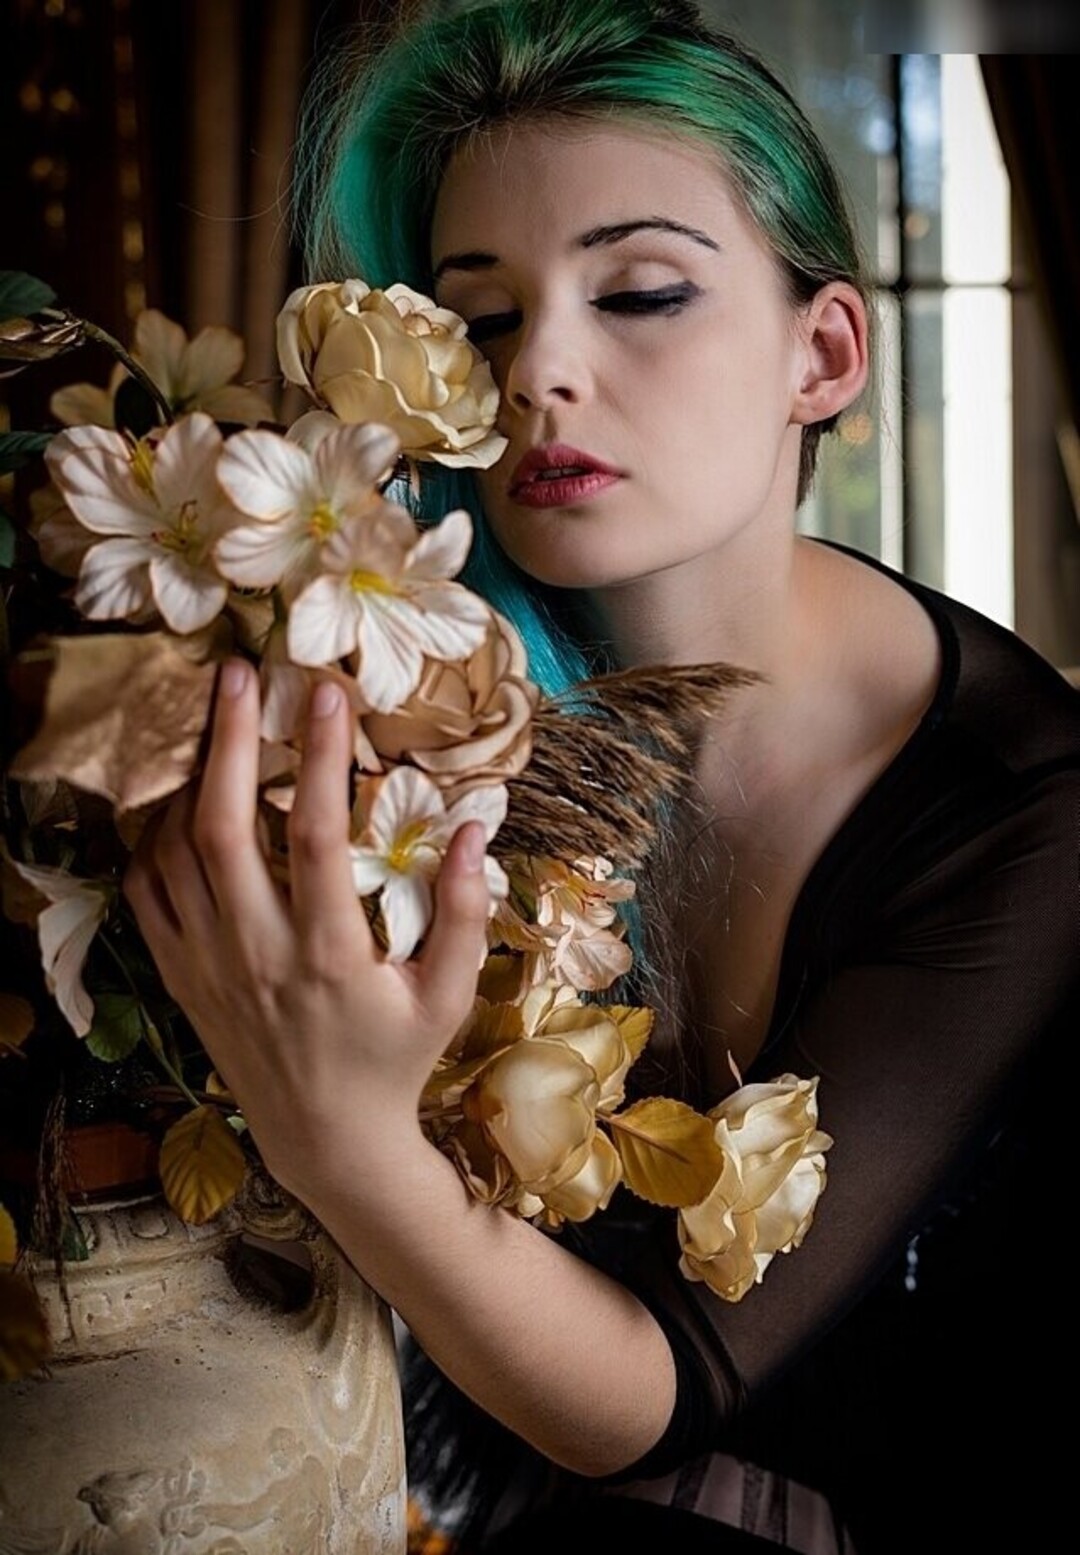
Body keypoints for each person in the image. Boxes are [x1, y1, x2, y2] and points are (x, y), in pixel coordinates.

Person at [124, 2, 1080, 1551]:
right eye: (483, 320)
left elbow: (652, 1394)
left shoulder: (1018, 801)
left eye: (640, 293)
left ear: (824, 353)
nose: (541, 373)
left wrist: (340, 1135)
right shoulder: (386, 692)